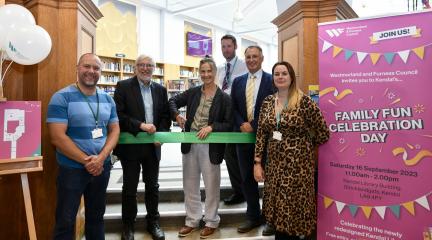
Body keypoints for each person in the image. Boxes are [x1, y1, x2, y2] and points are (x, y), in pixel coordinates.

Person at [254, 61, 330, 240]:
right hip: (274, 167)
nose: (280, 77)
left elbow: (323, 133)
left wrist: (302, 146)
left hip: (298, 169)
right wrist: (257, 163)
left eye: (284, 73)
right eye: (277, 74)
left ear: (291, 77)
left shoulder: (304, 102)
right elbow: (260, 135)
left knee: (294, 213)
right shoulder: (267, 102)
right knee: (278, 212)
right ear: (273, 78)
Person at [47, 53, 120, 239]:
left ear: (100, 72)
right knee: (65, 220)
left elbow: (114, 131)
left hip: (101, 168)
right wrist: (87, 161)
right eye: (87, 66)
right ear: (77, 68)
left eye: (96, 68)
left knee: (96, 218)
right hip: (72, 169)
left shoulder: (107, 99)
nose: (91, 71)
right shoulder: (61, 97)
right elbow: (57, 137)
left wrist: (101, 158)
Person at [169, 57, 232, 239]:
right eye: (203, 71)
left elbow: (228, 124)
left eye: (209, 71)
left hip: (211, 146)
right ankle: (192, 220)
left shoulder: (224, 98)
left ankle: (211, 221)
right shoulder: (193, 92)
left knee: (212, 185)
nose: (206, 75)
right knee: (189, 184)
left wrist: (212, 127)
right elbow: (172, 100)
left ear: (215, 73)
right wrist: (177, 116)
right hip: (190, 143)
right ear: (199, 73)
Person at [113, 54, 171, 240]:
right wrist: (141, 125)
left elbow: (165, 116)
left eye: (150, 65)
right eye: (142, 65)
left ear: (154, 68)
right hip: (130, 147)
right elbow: (119, 116)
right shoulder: (123, 87)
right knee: (129, 188)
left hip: (153, 147)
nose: (146, 68)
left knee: (152, 186)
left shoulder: (161, 89)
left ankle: (153, 223)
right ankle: (128, 226)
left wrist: (160, 133)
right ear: (135, 67)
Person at [230, 45, 275, 235]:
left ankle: (272, 219)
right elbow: (232, 108)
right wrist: (242, 124)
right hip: (244, 139)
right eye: (248, 57)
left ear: (262, 58)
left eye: (255, 56)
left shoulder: (272, 80)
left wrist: (254, 124)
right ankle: (253, 217)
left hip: (268, 139)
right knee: (247, 179)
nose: (251, 60)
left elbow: (275, 107)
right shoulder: (237, 82)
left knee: (271, 180)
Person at [216, 34, 248, 205]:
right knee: (229, 155)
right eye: (223, 46)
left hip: (239, 115)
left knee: (239, 154)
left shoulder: (244, 65)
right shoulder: (220, 68)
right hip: (223, 116)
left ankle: (245, 190)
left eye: (228, 46)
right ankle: (239, 190)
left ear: (235, 47)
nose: (226, 49)